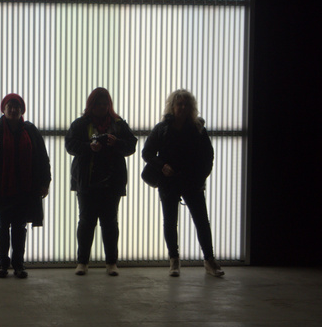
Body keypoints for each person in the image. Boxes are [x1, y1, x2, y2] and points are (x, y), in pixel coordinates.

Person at [142, 89, 224, 277]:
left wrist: (201, 177)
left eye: (186, 104)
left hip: (192, 181)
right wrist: (162, 166)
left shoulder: (197, 129)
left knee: (202, 221)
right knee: (170, 222)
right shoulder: (161, 128)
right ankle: (174, 261)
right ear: (172, 106)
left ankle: (209, 260)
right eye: (179, 104)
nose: (182, 107)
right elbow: (146, 153)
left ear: (191, 108)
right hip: (168, 181)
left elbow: (208, 155)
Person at [0, 94, 51, 279]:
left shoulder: (30, 131)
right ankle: (2, 263)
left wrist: (45, 183)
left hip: (24, 189)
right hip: (0, 189)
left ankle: (19, 264)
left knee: (19, 227)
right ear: (3, 109)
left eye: (17, 107)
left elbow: (42, 159)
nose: (13, 110)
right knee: (1, 226)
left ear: (22, 110)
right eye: (9, 106)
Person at [65, 88, 137, 276]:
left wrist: (116, 143)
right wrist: (89, 147)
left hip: (112, 182)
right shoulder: (80, 124)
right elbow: (70, 145)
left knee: (110, 223)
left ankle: (111, 263)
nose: (102, 108)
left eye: (105, 104)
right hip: (87, 182)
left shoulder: (119, 124)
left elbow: (131, 145)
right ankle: (82, 262)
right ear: (91, 105)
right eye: (98, 104)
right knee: (86, 222)